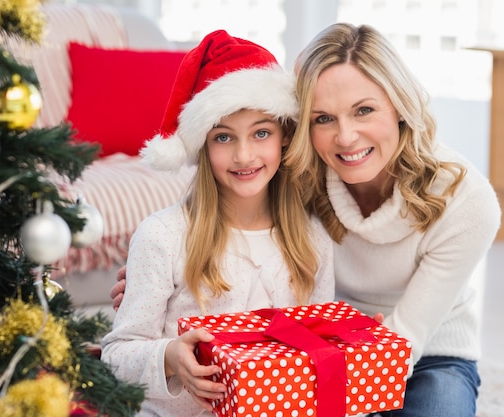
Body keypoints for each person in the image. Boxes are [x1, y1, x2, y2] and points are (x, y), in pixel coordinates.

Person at [111, 23, 501, 417]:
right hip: (316, 347)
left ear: (400, 105)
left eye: (364, 110)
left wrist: (358, 359)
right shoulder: (298, 173)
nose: (346, 137)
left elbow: (405, 341)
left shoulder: (468, 203)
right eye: (323, 118)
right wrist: (152, 283)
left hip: (424, 348)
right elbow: (218, 213)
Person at [100, 30, 334, 417]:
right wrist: (171, 356)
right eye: (224, 137)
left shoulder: (312, 239)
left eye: (261, 133)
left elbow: (319, 349)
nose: (244, 156)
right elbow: (117, 355)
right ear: (203, 147)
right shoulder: (165, 235)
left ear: (285, 139)